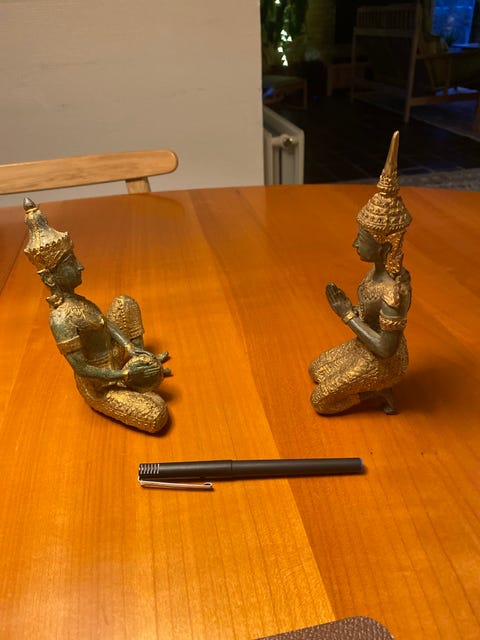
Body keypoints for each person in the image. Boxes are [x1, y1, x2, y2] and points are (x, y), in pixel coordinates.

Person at [23, 197, 171, 433]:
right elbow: (82, 369)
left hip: (117, 358)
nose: (80, 266)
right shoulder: (61, 319)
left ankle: (141, 364)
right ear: (50, 278)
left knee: (124, 303)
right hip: (101, 385)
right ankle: (136, 379)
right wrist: (125, 375)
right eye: (71, 264)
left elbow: (106, 323)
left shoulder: (79, 301)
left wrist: (132, 350)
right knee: (157, 414)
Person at [309, 131, 412, 415]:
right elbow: (370, 317)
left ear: (384, 246)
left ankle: (377, 391)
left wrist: (347, 315)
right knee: (317, 370)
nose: (355, 244)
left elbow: (386, 349)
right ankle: (362, 384)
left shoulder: (394, 293)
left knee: (321, 401)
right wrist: (353, 311)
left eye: (361, 239)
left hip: (384, 361)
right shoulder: (373, 275)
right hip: (364, 344)